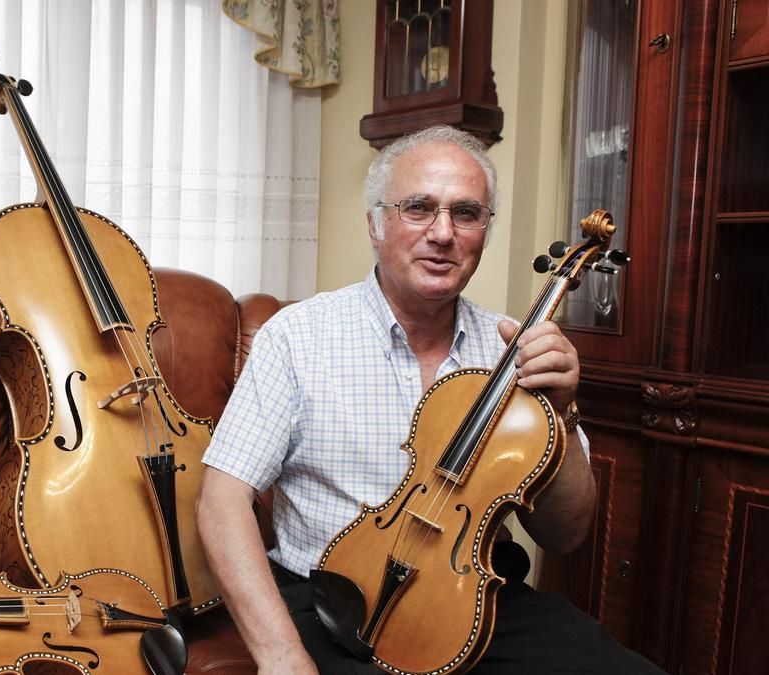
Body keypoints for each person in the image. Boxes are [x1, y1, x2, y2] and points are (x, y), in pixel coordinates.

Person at [196, 125, 664, 674]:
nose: (443, 233)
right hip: (334, 605)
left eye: (466, 213)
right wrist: (282, 656)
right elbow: (222, 501)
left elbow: (565, 534)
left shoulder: (513, 349)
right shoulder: (297, 336)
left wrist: (561, 413)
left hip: (480, 602)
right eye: (418, 208)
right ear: (375, 223)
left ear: (484, 232)